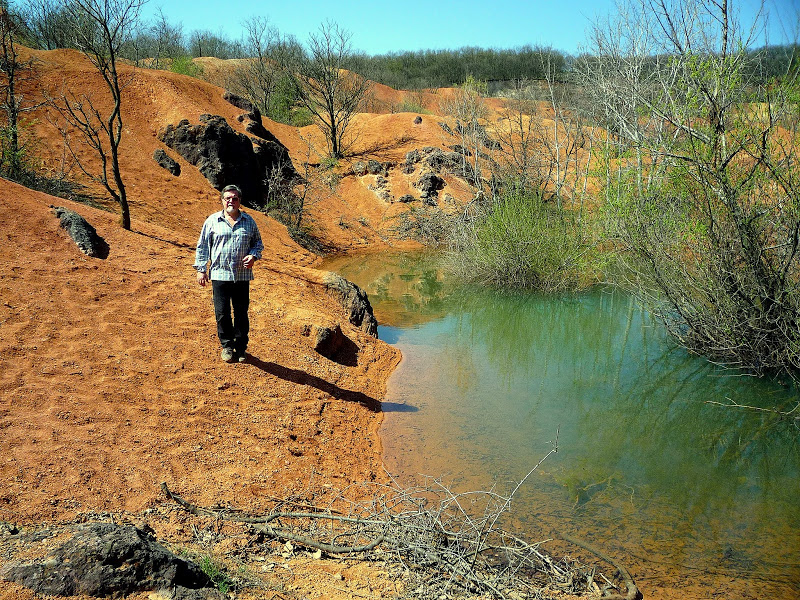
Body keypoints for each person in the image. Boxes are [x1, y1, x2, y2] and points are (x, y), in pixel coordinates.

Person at [194, 184, 264, 363]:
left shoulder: (249, 221)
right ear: (222, 201)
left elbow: (258, 244)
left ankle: (240, 348)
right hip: (219, 275)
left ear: (240, 201)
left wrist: (253, 256)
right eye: (228, 198)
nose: (231, 201)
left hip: (242, 276)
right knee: (222, 313)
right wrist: (201, 269)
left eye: (235, 198)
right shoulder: (211, 221)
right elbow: (202, 246)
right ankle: (226, 346)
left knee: (241, 313)